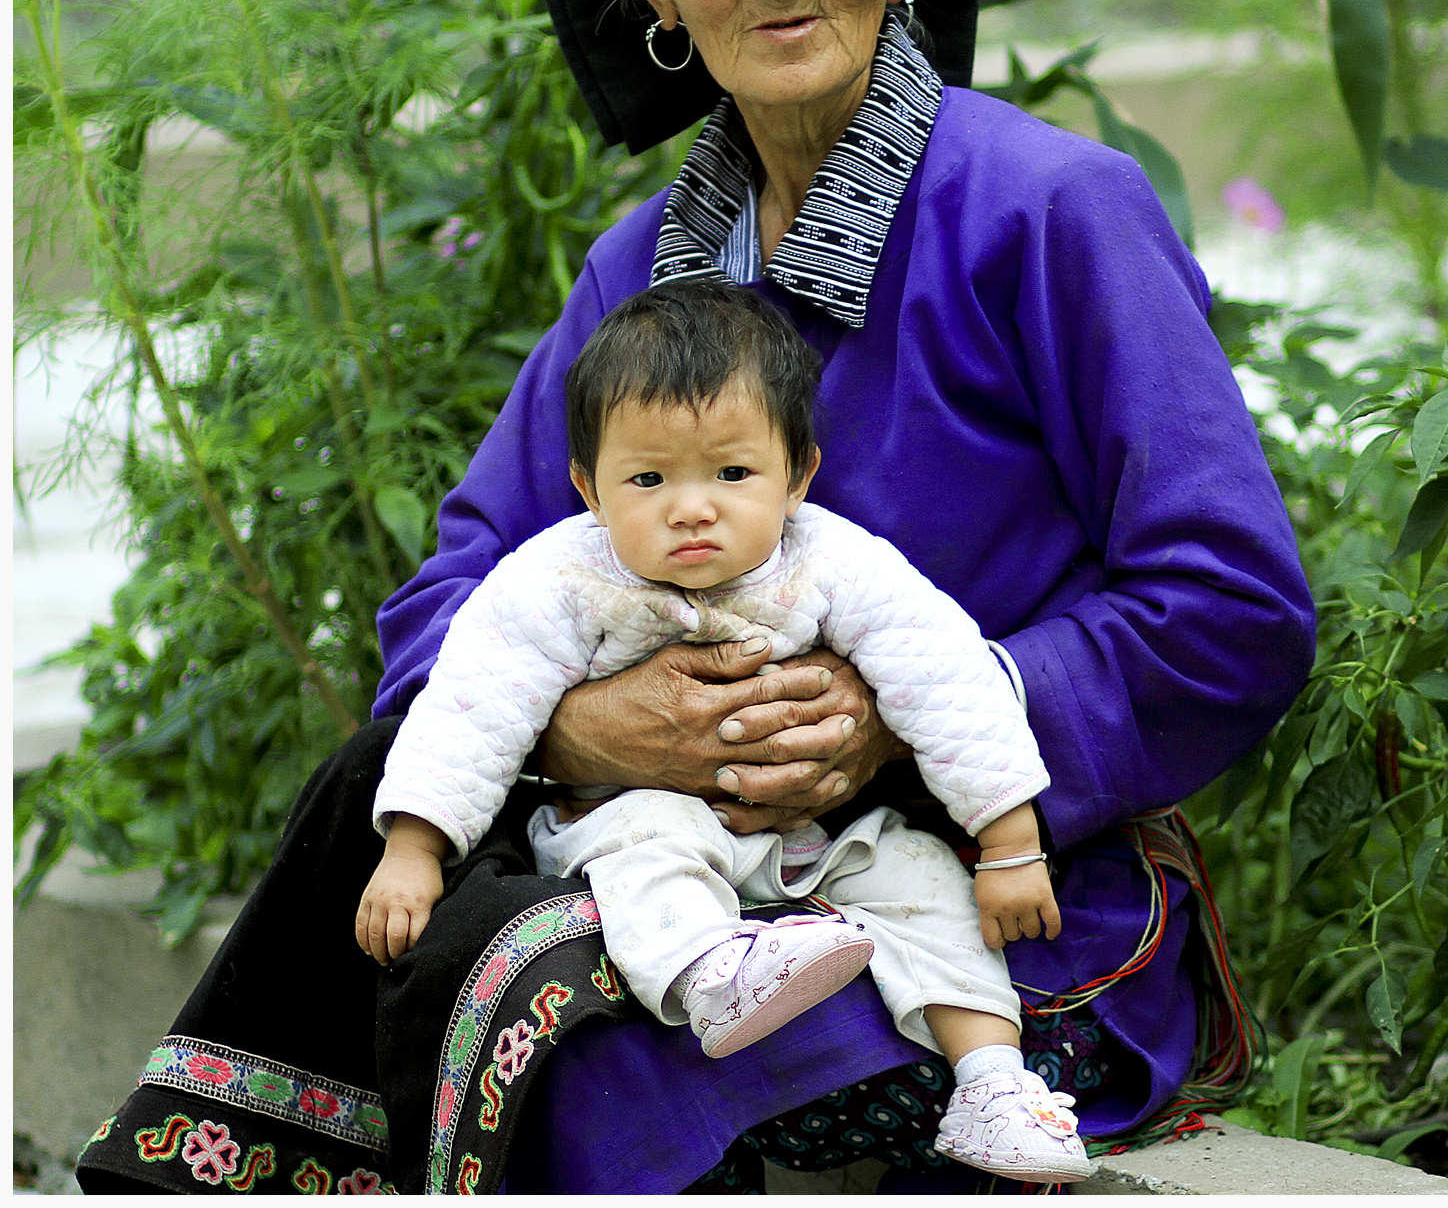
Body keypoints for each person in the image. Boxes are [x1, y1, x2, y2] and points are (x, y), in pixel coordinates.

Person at [77, 0, 1315, 1197]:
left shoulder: (1055, 211)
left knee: (560, 1035)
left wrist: (895, 719)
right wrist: (585, 726)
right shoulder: (642, 272)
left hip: (992, 915)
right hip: (683, 868)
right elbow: (454, 597)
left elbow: (1231, 605)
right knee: (396, 848)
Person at [358, 280, 1095, 1184]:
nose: (691, 507)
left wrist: (1009, 841)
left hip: (802, 839)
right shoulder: (557, 580)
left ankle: (992, 1080)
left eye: (732, 474)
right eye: (649, 479)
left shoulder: (834, 560)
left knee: (922, 874)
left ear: (798, 475)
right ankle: (713, 975)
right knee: (649, 843)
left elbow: (945, 676)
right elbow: (474, 702)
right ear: (590, 489)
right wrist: (415, 846)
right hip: (629, 823)